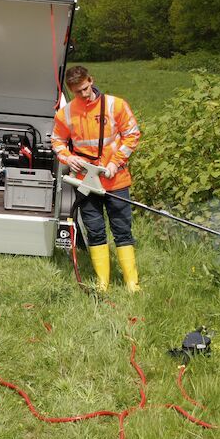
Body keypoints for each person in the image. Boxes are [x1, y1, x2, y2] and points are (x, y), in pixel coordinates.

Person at [51, 65, 141, 291]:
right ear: (70, 91)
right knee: (95, 229)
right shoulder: (66, 113)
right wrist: (68, 159)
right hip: (85, 182)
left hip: (116, 179)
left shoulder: (115, 105)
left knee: (122, 229)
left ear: (91, 80)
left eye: (84, 88)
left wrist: (114, 162)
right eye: (76, 92)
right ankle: (103, 283)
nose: (82, 94)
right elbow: (57, 142)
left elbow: (132, 135)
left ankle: (132, 283)